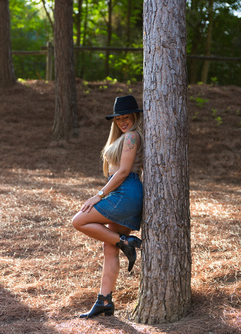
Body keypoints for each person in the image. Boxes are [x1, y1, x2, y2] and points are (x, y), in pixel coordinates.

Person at [72, 95, 144, 319]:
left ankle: (127, 242)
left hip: (125, 191)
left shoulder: (132, 136)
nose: (123, 121)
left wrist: (99, 195)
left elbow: (123, 172)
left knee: (79, 220)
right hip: (125, 192)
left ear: (134, 117)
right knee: (109, 248)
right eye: (118, 118)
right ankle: (104, 302)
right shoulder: (123, 137)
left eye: (127, 117)